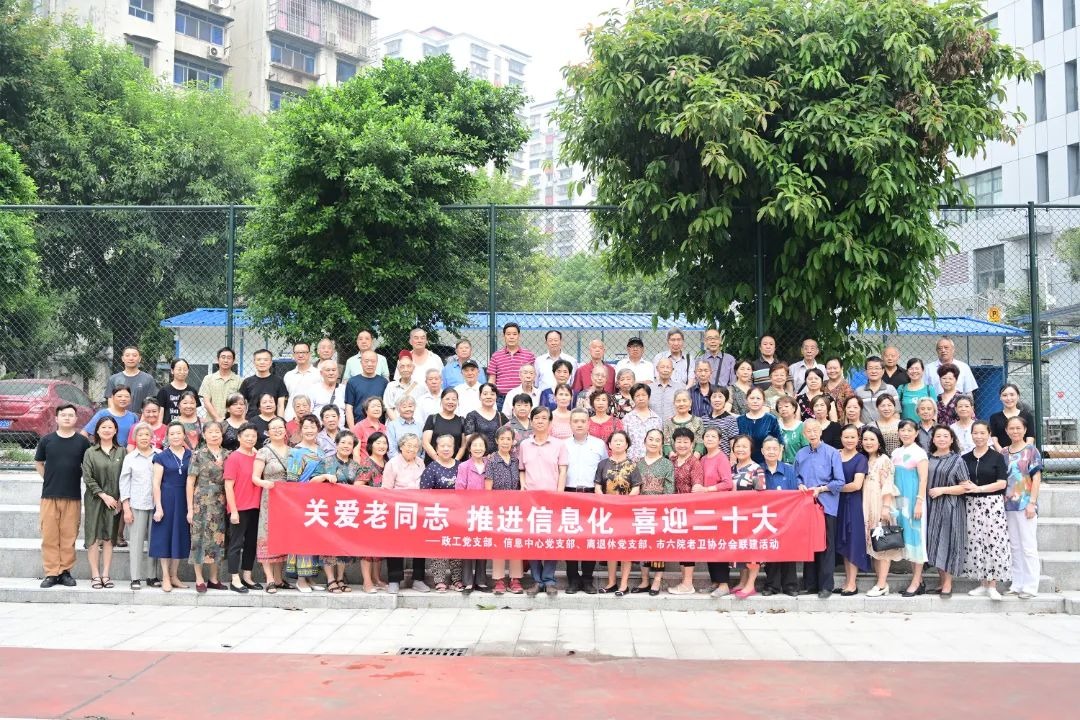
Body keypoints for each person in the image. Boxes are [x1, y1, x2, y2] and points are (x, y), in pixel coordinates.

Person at [35, 404, 91, 588]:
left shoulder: (82, 442)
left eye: (71, 415)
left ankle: (65, 571)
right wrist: (49, 479)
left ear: (76, 419)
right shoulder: (47, 440)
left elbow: (87, 466)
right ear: (56, 419)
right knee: (49, 535)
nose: (67, 418)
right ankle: (52, 573)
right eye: (63, 415)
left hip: (72, 495)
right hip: (49, 495)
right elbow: (39, 463)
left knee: (69, 535)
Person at [518, 406, 568, 596]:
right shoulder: (525, 445)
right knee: (533, 540)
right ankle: (537, 580)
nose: (540, 421)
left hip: (552, 499)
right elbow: (522, 469)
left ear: (550, 422)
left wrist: (559, 494)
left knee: (551, 540)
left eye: (544, 418)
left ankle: (549, 580)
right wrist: (523, 485)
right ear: (531, 421)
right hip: (531, 500)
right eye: (537, 418)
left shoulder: (559, 444)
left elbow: (563, 470)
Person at [795, 419, 845, 599]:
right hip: (806, 506)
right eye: (808, 431)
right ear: (804, 434)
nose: (812, 433)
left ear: (821, 431)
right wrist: (800, 485)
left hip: (826, 505)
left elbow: (840, 481)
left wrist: (821, 489)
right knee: (808, 544)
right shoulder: (801, 454)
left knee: (826, 545)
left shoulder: (832, 453)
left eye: (815, 430)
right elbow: (797, 477)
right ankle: (810, 584)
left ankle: (826, 586)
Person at [962, 421, 1011, 600]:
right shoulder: (965, 458)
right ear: (971, 435)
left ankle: (992, 585)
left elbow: (1002, 483)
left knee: (993, 543)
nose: (979, 436)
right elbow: (962, 480)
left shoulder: (997, 457)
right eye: (975, 433)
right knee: (976, 542)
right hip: (971, 504)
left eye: (982, 433)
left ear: (989, 434)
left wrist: (979, 489)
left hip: (992, 504)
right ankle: (982, 583)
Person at [284, 416, 332, 591]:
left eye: (313, 427)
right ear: (300, 430)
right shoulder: (296, 451)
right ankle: (300, 579)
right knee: (301, 539)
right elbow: (292, 481)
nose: (310, 430)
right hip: (301, 501)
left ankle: (310, 577)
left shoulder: (321, 451)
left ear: (318, 429)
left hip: (318, 502)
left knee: (313, 540)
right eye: (306, 427)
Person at [563, 408, 607, 594]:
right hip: (569, 493)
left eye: (583, 421)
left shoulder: (599, 444)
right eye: (575, 421)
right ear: (570, 424)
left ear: (589, 423)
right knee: (570, 538)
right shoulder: (563, 445)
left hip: (591, 494)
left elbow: (605, 469)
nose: (579, 424)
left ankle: (588, 579)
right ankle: (573, 579)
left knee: (590, 537)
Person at [594, 431, 641, 596]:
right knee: (611, 547)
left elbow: (636, 487)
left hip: (626, 513)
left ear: (627, 444)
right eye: (615, 441)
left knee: (625, 547)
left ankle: (624, 584)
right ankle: (611, 582)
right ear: (609, 444)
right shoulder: (603, 464)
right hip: (607, 512)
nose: (618, 443)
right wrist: (604, 501)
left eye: (622, 441)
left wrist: (624, 503)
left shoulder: (633, 465)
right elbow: (598, 486)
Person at [383, 433, 431, 593]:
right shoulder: (392, 464)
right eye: (408, 445)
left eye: (415, 446)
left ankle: (418, 579)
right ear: (401, 446)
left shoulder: (420, 462)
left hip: (418, 510)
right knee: (395, 544)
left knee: (420, 544)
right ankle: (394, 580)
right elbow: (386, 490)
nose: (412, 449)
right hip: (398, 510)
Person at [925, 425, 969, 597]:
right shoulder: (927, 458)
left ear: (952, 440)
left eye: (945, 436)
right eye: (938, 436)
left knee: (947, 543)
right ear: (933, 439)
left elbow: (965, 486)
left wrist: (943, 490)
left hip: (949, 506)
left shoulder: (957, 460)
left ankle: (948, 584)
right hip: (930, 506)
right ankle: (941, 580)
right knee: (934, 543)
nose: (942, 439)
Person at [82, 416, 125, 590]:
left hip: (115, 501)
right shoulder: (90, 452)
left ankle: (106, 574)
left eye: (110, 427)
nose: (107, 430)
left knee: (109, 537)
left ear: (115, 430)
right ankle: (95, 575)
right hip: (95, 500)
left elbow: (125, 477)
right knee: (93, 537)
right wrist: (103, 495)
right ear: (97, 431)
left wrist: (121, 498)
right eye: (103, 427)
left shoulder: (122, 452)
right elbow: (88, 477)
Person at [1002, 416, 1042, 599]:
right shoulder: (1003, 452)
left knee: (1028, 546)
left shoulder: (1031, 450)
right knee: (1014, 546)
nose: (1015, 431)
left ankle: (1031, 586)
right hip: (1007, 505)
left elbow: (1036, 478)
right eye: (1011, 428)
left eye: (1018, 428)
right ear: (1006, 431)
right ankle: (1017, 583)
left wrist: (1032, 503)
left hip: (1025, 505)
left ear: (1025, 430)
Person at [186, 421, 228, 593]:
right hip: (201, 503)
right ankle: (199, 578)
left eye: (217, 431)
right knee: (199, 540)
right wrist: (190, 509)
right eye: (210, 432)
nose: (214, 435)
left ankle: (214, 578)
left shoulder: (228, 454)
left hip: (221, 501)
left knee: (218, 539)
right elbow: (190, 482)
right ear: (204, 435)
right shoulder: (198, 454)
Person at [860, 426, 903, 597]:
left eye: (872, 439)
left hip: (880, 504)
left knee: (883, 544)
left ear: (879, 442)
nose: (868, 442)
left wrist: (885, 508)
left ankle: (882, 584)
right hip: (867, 505)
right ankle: (881, 583)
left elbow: (888, 485)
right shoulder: (864, 460)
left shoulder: (884, 460)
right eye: (865, 439)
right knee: (874, 544)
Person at [150, 423, 191, 593]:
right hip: (166, 498)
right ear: (167, 436)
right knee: (165, 538)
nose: (175, 436)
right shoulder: (161, 456)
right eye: (172, 433)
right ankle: (165, 576)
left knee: (180, 537)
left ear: (184, 435)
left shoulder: (191, 455)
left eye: (178, 433)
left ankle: (174, 575)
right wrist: (158, 507)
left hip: (184, 499)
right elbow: (156, 483)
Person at [892, 419, 930, 597]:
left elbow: (923, 479)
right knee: (907, 538)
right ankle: (918, 580)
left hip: (914, 500)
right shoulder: (896, 452)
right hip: (900, 501)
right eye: (903, 430)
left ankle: (916, 581)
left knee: (916, 538)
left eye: (909, 430)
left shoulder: (920, 453)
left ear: (916, 433)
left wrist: (919, 502)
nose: (906, 433)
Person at [252, 417, 290, 591]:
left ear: (285, 430)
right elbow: (255, 477)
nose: (277, 430)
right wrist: (264, 483)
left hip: (288, 500)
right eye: (273, 428)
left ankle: (279, 578)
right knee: (267, 536)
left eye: (280, 427)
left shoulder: (293, 451)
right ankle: (269, 579)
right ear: (268, 432)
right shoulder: (263, 452)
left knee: (283, 536)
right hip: (270, 497)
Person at [486, 427, 525, 595]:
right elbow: (488, 488)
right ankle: (499, 579)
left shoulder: (516, 460)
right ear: (496, 441)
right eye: (502, 439)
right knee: (499, 544)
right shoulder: (491, 460)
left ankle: (515, 579)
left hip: (515, 509)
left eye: (508, 439)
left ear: (513, 442)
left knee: (515, 543)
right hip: (497, 509)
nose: (505, 442)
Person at [635, 428, 674, 595]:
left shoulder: (667, 464)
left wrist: (662, 508)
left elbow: (669, 489)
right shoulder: (637, 463)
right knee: (643, 545)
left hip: (659, 511)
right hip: (640, 511)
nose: (653, 443)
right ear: (644, 441)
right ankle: (644, 580)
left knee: (659, 546)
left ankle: (657, 580)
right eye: (650, 439)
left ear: (662, 444)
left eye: (657, 440)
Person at [223, 423, 261, 593]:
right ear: (239, 437)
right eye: (247, 436)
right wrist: (233, 510)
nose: (250, 439)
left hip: (256, 506)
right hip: (239, 507)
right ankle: (234, 578)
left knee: (251, 543)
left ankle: (247, 575)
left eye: (253, 436)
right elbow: (228, 486)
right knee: (236, 544)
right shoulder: (234, 458)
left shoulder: (258, 456)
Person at [667, 426, 703, 596]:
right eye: (679, 441)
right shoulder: (672, 461)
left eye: (685, 442)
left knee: (687, 546)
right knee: (680, 546)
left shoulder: (695, 463)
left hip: (689, 510)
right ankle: (684, 582)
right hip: (673, 511)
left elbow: (697, 486)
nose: (682, 445)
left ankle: (688, 583)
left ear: (692, 444)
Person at [760, 436, 798, 596]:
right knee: (771, 550)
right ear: (762, 451)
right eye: (768, 449)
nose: (771, 452)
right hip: (766, 518)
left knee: (789, 550)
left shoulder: (789, 470)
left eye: (775, 448)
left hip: (787, 517)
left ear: (781, 450)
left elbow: (795, 494)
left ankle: (790, 586)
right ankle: (772, 586)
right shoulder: (758, 470)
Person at [120, 423, 157, 590]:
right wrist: (126, 507)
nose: (143, 438)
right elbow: (124, 483)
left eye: (146, 435)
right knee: (136, 543)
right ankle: (135, 578)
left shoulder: (159, 455)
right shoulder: (130, 458)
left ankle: (152, 575)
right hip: (137, 505)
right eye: (140, 435)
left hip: (156, 505)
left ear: (151, 437)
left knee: (154, 542)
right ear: (135, 438)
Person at [730, 435, 767, 598]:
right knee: (740, 549)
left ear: (751, 449)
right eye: (737, 446)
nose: (740, 449)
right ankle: (742, 581)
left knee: (752, 550)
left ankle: (751, 584)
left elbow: (760, 494)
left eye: (744, 446)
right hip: (735, 516)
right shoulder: (731, 468)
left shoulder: (756, 469)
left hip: (751, 516)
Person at [699, 427, 735, 594]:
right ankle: (715, 581)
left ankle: (724, 584)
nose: (710, 439)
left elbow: (728, 483)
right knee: (709, 545)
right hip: (705, 508)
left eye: (713, 436)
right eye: (707, 436)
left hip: (719, 507)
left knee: (719, 545)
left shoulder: (721, 458)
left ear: (720, 440)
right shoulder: (703, 459)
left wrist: (707, 489)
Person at [835, 424, 870, 595]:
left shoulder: (861, 459)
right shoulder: (835, 455)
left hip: (853, 503)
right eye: (846, 437)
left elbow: (856, 485)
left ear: (858, 439)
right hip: (836, 503)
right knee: (843, 542)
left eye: (853, 437)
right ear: (841, 438)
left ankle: (852, 583)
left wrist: (831, 488)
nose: (849, 440)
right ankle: (847, 581)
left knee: (852, 541)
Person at [355, 432, 390, 592]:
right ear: (370, 445)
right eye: (378, 443)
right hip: (369, 510)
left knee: (379, 546)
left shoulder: (388, 463)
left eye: (384, 443)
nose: (382, 446)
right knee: (367, 547)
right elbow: (357, 486)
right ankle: (367, 581)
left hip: (384, 510)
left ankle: (377, 578)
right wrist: (377, 491)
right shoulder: (367, 463)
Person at [456, 434, 491, 593]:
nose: (478, 448)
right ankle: (468, 581)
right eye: (474, 445)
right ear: (469, 448)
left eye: (481, 445)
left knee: (483, 544)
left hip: (486, 511)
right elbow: (459, 489)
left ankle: (481, 581)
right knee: (469, 544)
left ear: (485, 448)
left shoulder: (490, 464)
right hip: (468, 511)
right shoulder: (464, 466)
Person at [487, 322, 536, 399]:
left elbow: (533, 377)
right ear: (504, 336)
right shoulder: (496, 356)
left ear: (519, 336)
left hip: (523, 397)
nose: (511, 337)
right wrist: (491, 395)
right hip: (501, 398)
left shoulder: (529, 355)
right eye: (508, 334)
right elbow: (492, 379)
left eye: (514, 334)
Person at [345, 350, 390, 428]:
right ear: (361, 363)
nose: (369, 364)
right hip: (358, 426)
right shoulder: (352, 382)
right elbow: (349, 408)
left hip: (379, 428)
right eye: (366, 361)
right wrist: (353, 430)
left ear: (377, 363)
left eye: (373, 361)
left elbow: (387, 408)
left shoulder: (384, 382)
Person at [239, 349, 288, 419]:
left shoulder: (278, 381)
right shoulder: (247, 382)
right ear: (254, 362)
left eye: (266, 360)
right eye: (259, 360)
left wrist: (280, 421)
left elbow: (280, 405)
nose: (262, 362)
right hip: (251, 421)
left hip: (272, 422)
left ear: (271, 362)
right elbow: (242, 405)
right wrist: (243, 422)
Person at [736, 387, 781, 464]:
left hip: (766, 463)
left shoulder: (771, 419)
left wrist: (777, 463)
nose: (755, 401)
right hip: (743, 463)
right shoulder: (739, 420)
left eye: (758, 398)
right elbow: (734, 444)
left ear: (763, 401)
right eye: (752, 398)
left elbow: (780, 442)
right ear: (746, 400)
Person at [105, 345, 157, 410]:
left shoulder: (148, 379)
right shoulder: (113, 379)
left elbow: (151, 402)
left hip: (140, 416)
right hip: (120, 416)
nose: (131, 358)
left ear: (139, 359)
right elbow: (110, 402)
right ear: (122, 359)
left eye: (134, 355)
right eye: (127, 355)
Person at [199, 347, 242, 422]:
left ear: (233, 361)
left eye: (229, 358)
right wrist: (217, 418)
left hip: (232, 422)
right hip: (212, 422)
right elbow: (206, 402)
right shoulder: (208, 379)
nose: (226, 360)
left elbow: (240, 403)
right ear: (217, 359)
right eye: (223, 357)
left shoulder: (239, 380)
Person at [423, 388, 466, 462]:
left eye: (454, 399)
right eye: (447, 399)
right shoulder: (432, 418)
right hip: (434, 463)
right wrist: (438, 460)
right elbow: (425, 443)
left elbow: (463, 446)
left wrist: (454, 462)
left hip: (455, 464)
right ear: (441, 400)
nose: (451, 402)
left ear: (457, 402)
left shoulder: (462, 421)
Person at [989, 384, 1035, 451]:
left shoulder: (1027, 416)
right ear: (1000, 397)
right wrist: (1003, 453)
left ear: (1018, 396)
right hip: (1001, 454)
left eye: (1012, 395)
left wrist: (1022, 453)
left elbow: (1030, 437)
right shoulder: (994, 417)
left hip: (1023, 454)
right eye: (1005, 395)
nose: (1008, 398)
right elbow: (993, 438)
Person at [463, 383, 507, 453]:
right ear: (480, 396)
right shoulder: (471, 416)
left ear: (496, 397)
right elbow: (469, 440)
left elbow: (508, 436)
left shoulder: (501, 415)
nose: (488, 397)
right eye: (485, 394)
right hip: (479, 456)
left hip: (497, 457)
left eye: (492, 394)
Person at [855, 356, 899, 423]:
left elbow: (896, 413)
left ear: (883, 371)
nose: (873, 371)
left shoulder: (890, 389)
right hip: (865, 428)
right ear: (865, 372)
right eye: (870, 368)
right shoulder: (859, 391)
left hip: (885, 428)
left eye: (877, 368)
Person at [283, 342, 319, 421]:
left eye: (304, 352)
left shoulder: (319, 374)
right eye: (297, 352)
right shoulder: (288, 376)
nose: (300, 355)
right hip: (291, 418)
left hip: (313, 419)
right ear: (293, 355)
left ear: (309, 354)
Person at [625, 383, 662, 461]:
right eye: (637, 396)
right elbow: (624, 441)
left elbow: (660, 442)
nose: (641, 398)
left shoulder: (656, 419)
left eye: (644, 395)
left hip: (652, 460)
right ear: (633, 398)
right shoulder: (627, 418)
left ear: (649, 397)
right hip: (632, 461)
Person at [663, 389, 704, 456]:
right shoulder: (668, 423)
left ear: (690, 402)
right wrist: (672, 456)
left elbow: (700, 442)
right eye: (678, 401)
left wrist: (694, 458)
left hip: (694, 460)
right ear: (674, 403)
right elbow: (666, 443)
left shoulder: (698, 421)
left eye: (684, 400)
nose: (681, 404)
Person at [156, 359, 200, 423]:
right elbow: (160, 413)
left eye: (185, 369)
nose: (182, 372)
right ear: (172, 371)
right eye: (179, 369)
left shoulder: (192, 390)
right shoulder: (164, 390)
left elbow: (194, 412)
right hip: (169, 427)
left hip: (188, 427)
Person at [701, 386, 740, 456]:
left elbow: (733, 444)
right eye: (714, 397)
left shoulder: (730, 420)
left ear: (726, 399)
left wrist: (732, 460)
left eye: (720, 397)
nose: (717, 400)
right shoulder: (703, 419)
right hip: (706, 459)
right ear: (710, 399)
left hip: (724, 459)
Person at [382, 356, 421, 422]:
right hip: (394, 424)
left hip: (414, 424)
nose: (405, 369)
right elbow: (388, 408)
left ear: (413, 368)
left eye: (409, 366)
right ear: (398, 369)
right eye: (402, 366)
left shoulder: (419, 387)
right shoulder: (391, 386)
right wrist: (398, 424)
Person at [897, 358, 936, 422]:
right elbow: (896, 411)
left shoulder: (929, 389)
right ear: (907, 371)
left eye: (917, 368)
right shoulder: (901, 388)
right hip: (906, 427)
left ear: (922, 371)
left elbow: (935, 412)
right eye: (911, 368)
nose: (914, 371)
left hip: (923, 426)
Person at [387, 396, 424, 460]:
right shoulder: (392, 425)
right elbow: (391, 448)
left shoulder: (420, 426)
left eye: (410, 406)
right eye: (404, 407)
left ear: (414, 407)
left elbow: (424, 448)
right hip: (398, 463)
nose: (408, 409)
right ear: (398, 409)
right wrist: (401, 462)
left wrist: (419, 461)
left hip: (417, 463)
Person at [650, 357, 684, 422]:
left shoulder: (680, 388)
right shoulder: (649, 388)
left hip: (674, 425)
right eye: (662, 367)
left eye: (668, 367)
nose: (665, 370)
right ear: (657, 369)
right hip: (654, 426)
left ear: (672, 369)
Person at [776, 396, 807, 464]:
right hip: (779, 465)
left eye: (786, 406)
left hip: (797, 465)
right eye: (780, 407)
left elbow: (806, 449)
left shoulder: (802, 426)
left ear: (794, 408)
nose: (783, 409)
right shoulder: (775, 426)